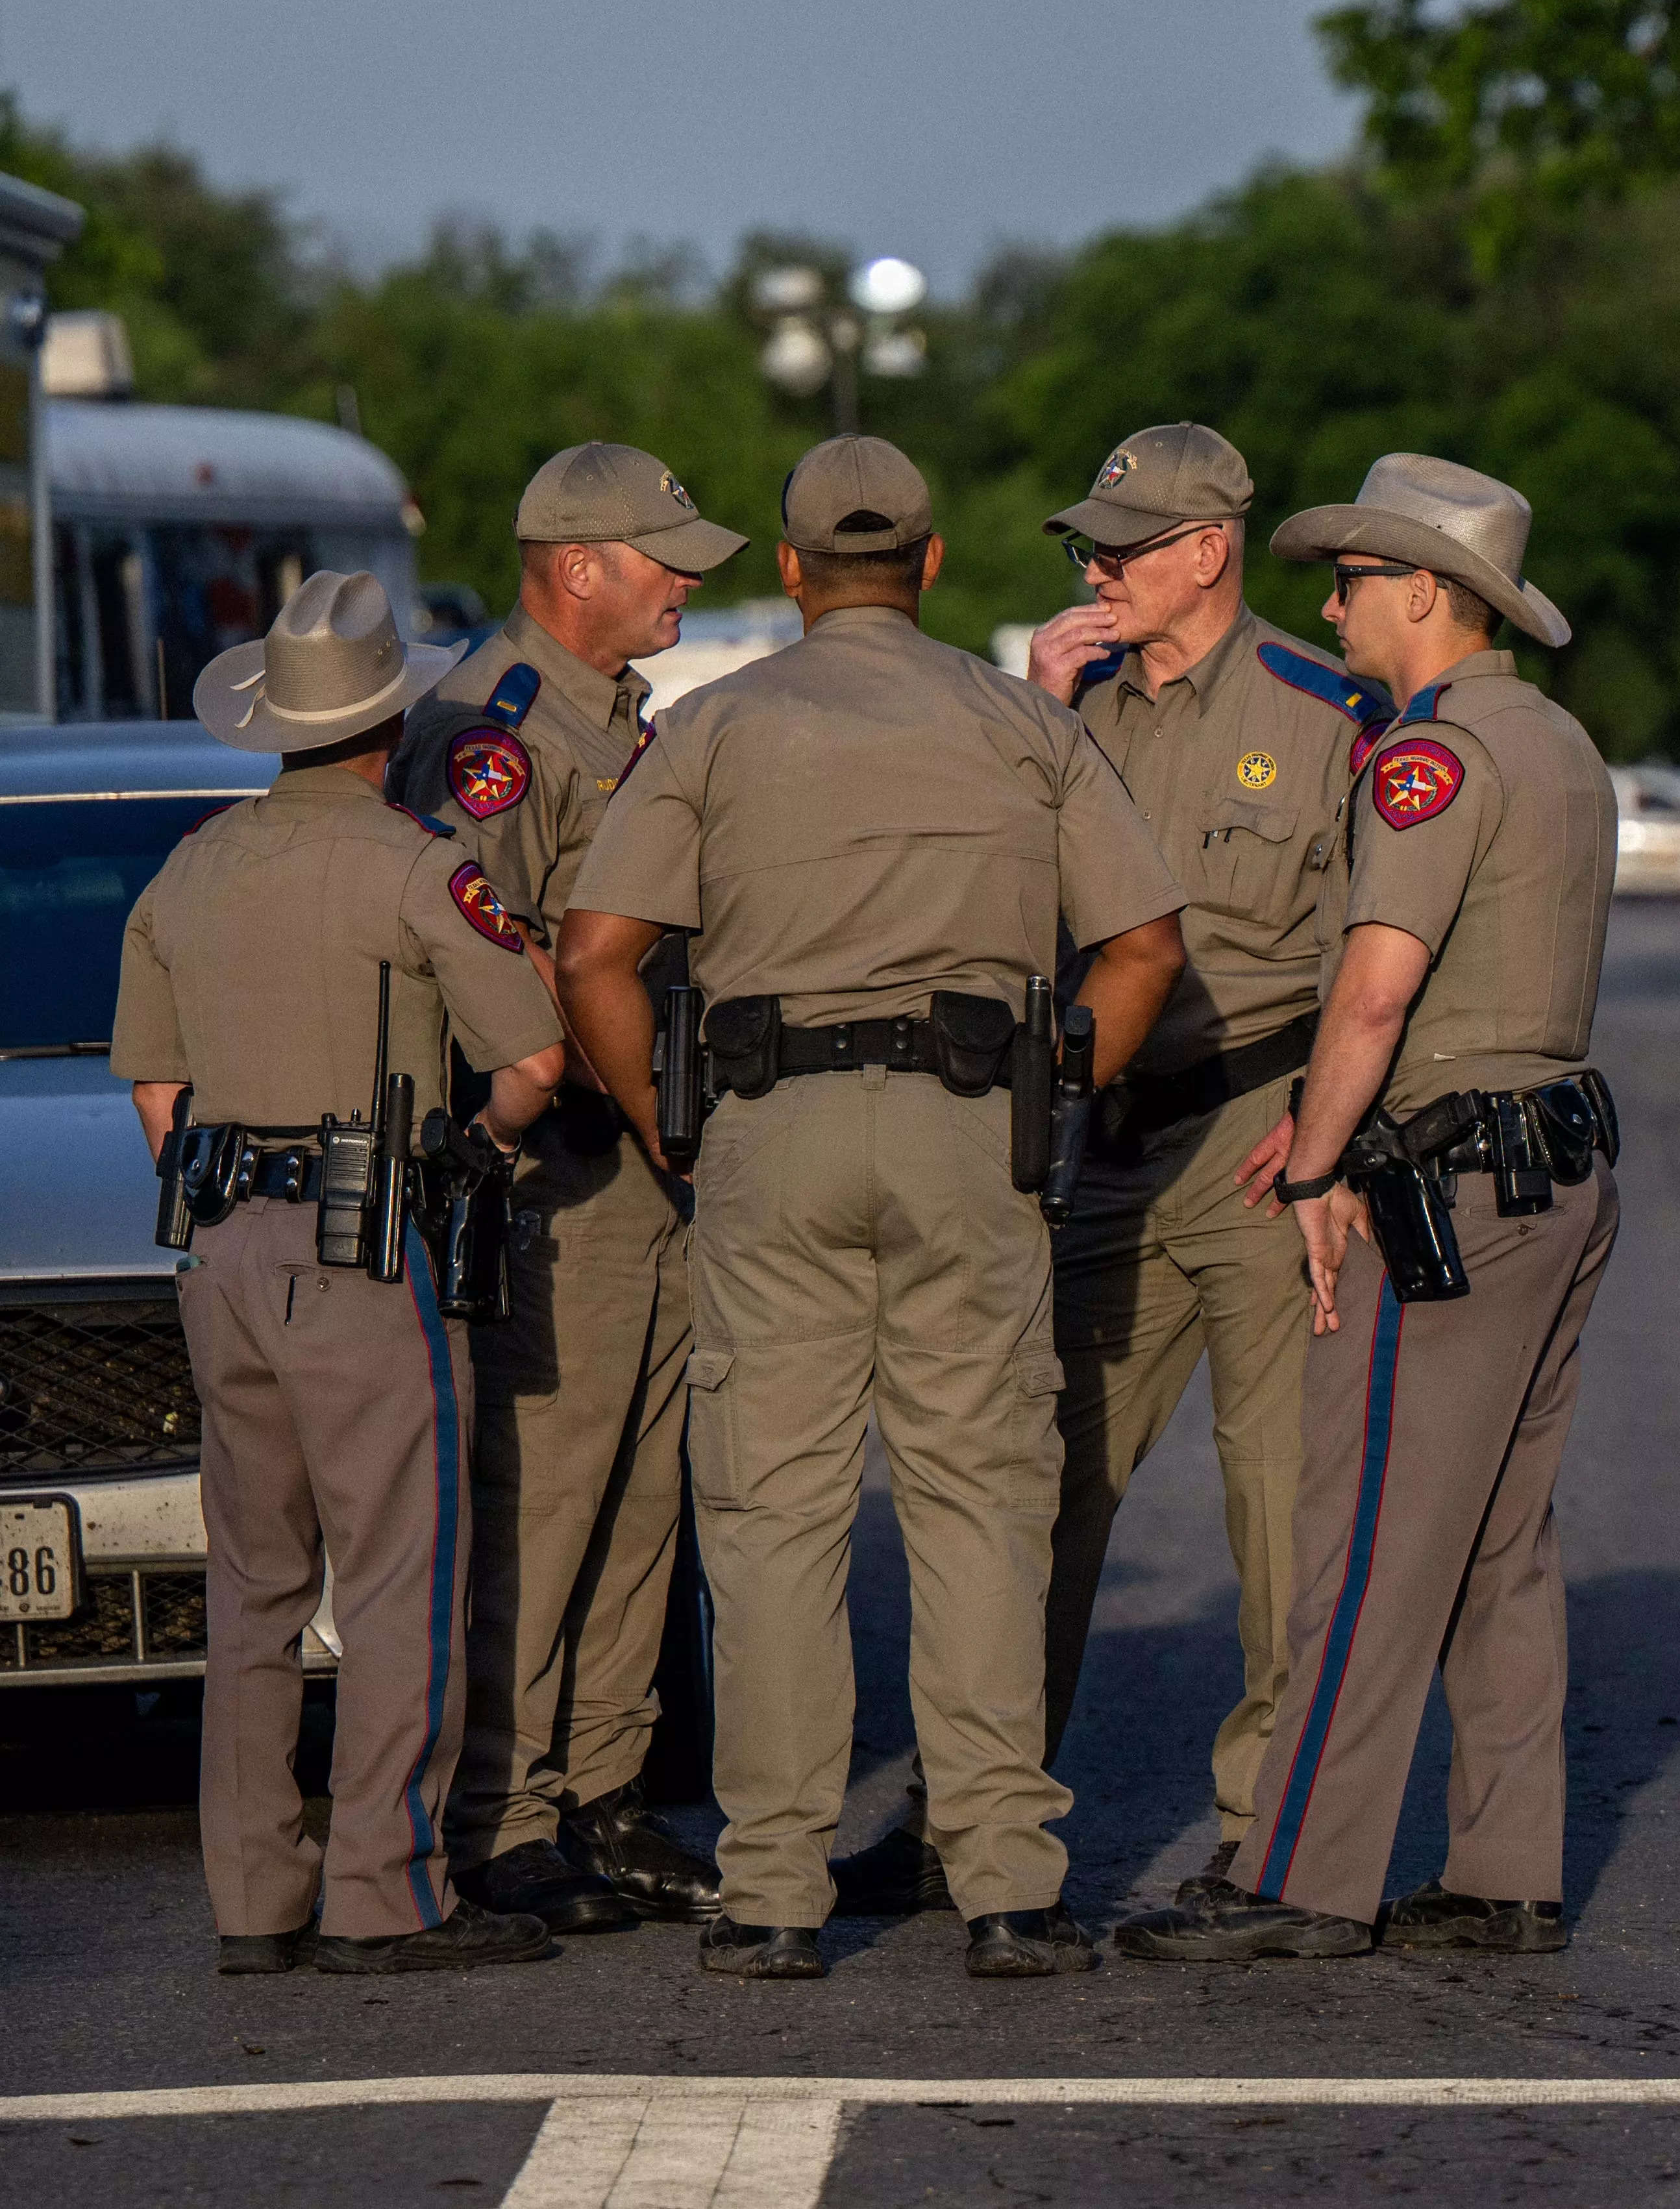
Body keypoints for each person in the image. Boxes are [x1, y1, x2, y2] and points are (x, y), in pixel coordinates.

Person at [557, 436, 1189, 1982]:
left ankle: (774, 1889)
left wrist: (671, 1126)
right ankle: (1007, 1884)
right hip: (969, 1125)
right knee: (980, 1498)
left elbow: (592, 952)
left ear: (786, 571)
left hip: (766, 1133)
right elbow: (1148, 944)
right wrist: (1058, 1090)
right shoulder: (1015, 723)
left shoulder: (713, 726)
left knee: (771, 1514)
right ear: (929, 561)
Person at [829, 423, 1390, 1919]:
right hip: (1100, 1143)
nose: (1094, 570)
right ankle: (968, 1818)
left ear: (1207, 549)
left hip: (1263, 1135)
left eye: (1123, 549)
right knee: (1026, 1485)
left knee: (1277, 1506)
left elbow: (1382, 948)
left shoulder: (1326, 708)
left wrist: (1342, 1143)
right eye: (1086, 549)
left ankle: (1267, 1832)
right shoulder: (1049, 712)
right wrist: (1031, 712)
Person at [1112, 454, 1620, 1963]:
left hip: (1451, 1175)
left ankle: (1296, 1876)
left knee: (1370, 1538)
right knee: (1497, 1542)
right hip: (1559, 1160)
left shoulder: (1433, 754)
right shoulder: (1563, 741)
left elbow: (1375, 986)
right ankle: (1503, 1868)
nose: (1327, 602)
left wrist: (1319, 1162)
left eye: (1350, 579)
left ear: (1426, 595)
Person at [113, 571, 569, 1974]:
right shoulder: (421, 865)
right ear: (391, 724)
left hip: (221, 1244)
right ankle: (385, 1889)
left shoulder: (189, 865)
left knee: (251, 1584)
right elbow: (534, 1064)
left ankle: (254, 1898)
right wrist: (459, 1152)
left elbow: (158, 1091)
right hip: (364, 1242)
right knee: (395, 1576)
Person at [393, 442, 745, 1934]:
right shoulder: (499, 727)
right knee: (539, 1494)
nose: (685, 580)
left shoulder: (612, 720)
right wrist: (631, 1091)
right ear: (576, 565)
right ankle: (504, 1806)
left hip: (653, 1154)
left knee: (640, 1487)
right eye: (662, 556)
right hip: (566, 1164)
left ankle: (605, 1787)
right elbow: (496, 955)